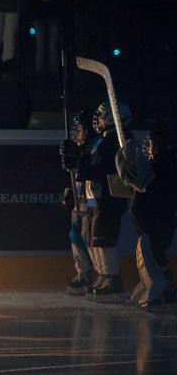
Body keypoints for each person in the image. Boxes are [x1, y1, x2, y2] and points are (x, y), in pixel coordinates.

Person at [61, 101, 131, 303]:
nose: (97, 120)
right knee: (95, 239)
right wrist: (77, 164)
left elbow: (101, 168)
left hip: (107, 200)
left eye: (101, 116)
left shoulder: (114, 141)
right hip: (97, 200)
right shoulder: (102, 141)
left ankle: (112, 279)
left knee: (103, 239)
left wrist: (79, 164)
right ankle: (103, 276)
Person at [116, 122, 177, 311]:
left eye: (153, 143)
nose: (149, 147)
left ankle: (161, 291)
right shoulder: (160, 165)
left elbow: (154, 191)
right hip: (150, 223)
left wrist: (137, 179)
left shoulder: (166, 166)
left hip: (157, 222)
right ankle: (154, 285)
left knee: (151, 252)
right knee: (148, 252)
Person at [60, 110, 97, 295]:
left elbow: (92, 171)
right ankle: (83, 273)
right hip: (80, 201)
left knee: (90, 238)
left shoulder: (96, 148)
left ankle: (102, 274)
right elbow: (75, 173)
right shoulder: (79, 149)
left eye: (79, 130)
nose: (76, 134)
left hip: (92, 202)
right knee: (76, 236)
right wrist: (70, 190)